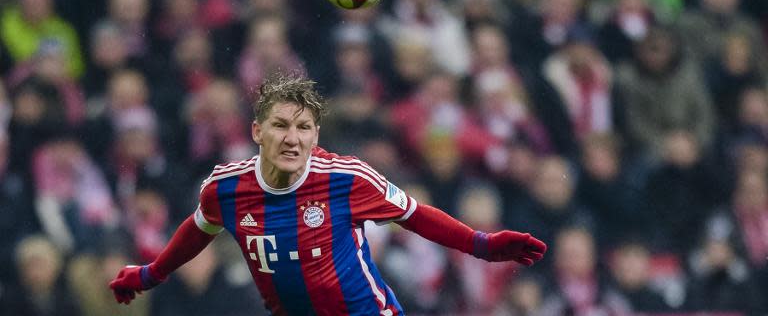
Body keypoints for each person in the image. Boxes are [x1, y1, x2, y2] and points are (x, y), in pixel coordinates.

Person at [109, 72, 547, 314]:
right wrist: (152, 273)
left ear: (315, 135)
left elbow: (413, 214)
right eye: (280, 125)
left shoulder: (347, 178)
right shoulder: (225, 188)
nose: (292, 138)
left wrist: (482, 244)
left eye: (303, 128)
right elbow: (198, 228)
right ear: (258, 131)